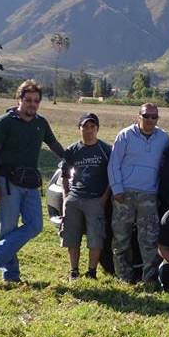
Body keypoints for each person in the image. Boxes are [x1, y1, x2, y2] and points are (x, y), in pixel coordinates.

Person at [0, 79, 65, 282]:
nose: (32, 104)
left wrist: (73, 159)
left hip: (31, 184)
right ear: (19, 99)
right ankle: (11, 276)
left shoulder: (41, 123)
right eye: (28, 100)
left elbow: (54, 145)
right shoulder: (4, 122)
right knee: (7, 229)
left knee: (35, 226)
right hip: (8, 182)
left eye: (36, 101)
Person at [107, 102, 169, 286]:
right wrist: (117, 189)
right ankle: (124, 277)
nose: (150, 120)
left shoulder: (163, 138)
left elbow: (167, 164)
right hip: (124, 194)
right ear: (138, 116)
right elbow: (113, 164)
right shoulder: (125, 135)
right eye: (146, 116)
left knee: (149, 239)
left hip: (149, 195)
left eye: (154, 117)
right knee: (121, 237)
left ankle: (149, 278)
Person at [59, 112, 112, 280]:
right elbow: (65, 176)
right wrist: (66, 197)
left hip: (96, 199)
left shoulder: (106, 150)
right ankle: (74, 271)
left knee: (95, 237)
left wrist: (104, 198)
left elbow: (113, 176)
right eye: (85, 126)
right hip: (75, 198)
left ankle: (91, 272)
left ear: (97, 129)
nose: (88, 130)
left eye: (92, 127)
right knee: (72, 237)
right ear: (79, 128)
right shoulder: (72, 150)